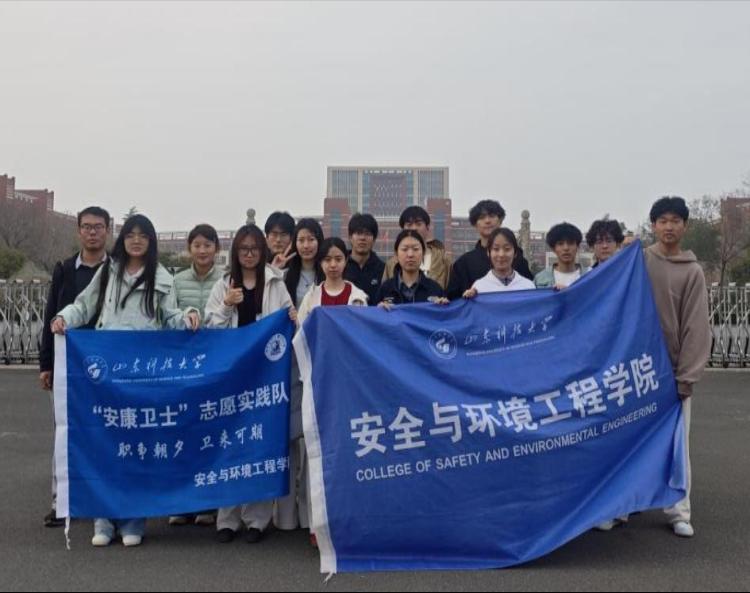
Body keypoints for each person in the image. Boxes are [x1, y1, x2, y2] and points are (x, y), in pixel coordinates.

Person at [51, 214, 200, 547]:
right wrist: (63, 318)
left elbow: (170, 316)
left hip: (144, 373)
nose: (136, 240)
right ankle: (104, 519)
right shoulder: (108, 271)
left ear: (150, 241)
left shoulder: (162, 277)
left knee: (138, 446)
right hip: (108, 372)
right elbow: (83, 306)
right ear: (122, 239)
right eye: (130, 234)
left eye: (142, 235)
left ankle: (134, 518)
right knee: (106, 444)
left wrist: (189, 316)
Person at [203, 224, 297, 544]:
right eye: (243, 249)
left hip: (265, 377)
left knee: (259, 443)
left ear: (263, 251)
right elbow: (210, 329)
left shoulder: (275, 283)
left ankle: (257, 519)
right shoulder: (223, 283)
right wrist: (227, 304)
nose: (249, 254)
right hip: (231, 376)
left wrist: (294, 318)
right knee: (229, 444)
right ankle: (227, 519)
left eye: (255, 248)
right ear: (235, 252)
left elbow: (289, 321)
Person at [39, 206, 110, 528]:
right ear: (79, 231)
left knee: (104, 431)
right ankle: (62, 501)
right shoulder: (65, 269)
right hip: (68, 363)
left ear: (107, 231)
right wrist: (46, 364)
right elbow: (51, 314)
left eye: (98, 226)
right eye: (87, 226)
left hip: (106, 365)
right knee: (66, 431)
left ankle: (103, 499)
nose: (92, 232)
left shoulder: (116, 270)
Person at [645, 196, 711, 538]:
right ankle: (621, 508)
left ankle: (678, 511)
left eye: (675, 220)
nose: (669, 227)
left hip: (672, 372)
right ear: (653, 225)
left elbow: (696, 327)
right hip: (636, 372)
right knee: (629, 441)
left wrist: (686, 376)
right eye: (663, 220)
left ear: (685, 226)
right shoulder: (640, 261)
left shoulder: (692, 271)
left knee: (677, 444)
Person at [170, 224, 224, 527]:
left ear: (216, 248)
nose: (202, 251)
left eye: (208, 245)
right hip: (185, 367)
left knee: (211, 434)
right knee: (183, 433)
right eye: (197, 245)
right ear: (189, 249)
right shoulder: (177, 281)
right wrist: (184, 317)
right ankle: (183, 503)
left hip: (216, 367)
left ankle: (209, 503)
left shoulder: (226, 279)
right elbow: (168, 315)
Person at [447, 200, 533, 299]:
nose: (487, 221)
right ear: (475, 224)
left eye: (492, 216)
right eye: (482, 217)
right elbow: (453, 300)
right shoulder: (463, 263)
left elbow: (531, 295)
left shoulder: (518, 259)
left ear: (500, 220)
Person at [383, 206, 452, 291]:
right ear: (402, 229)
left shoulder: (444, 261)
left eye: (418, 224)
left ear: (427, 227)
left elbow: (452, 293)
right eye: (409, 225)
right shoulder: (392, 264)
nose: (414, 228)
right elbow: (385, 293)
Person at [376, 231, 448, 307]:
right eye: (404, 249)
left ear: (423, 253)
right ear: (396, 254)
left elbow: (446, 313)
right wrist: (379, 310)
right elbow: (372, 312)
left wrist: (443, 307)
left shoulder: (435, 289)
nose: (410, 254)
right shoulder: (385, 289)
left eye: (415, 249)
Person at [463, 228, 536, 299]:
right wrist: (468, 299)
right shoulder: (479, 288)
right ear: (488, 252)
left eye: (507, 249)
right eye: (496, 249)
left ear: (515, 253)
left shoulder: (528, 287)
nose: (501, 254)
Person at [344, 213, 385, 305]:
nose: (362, 238)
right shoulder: (340, 266)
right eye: (358, 233)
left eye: (367, 234)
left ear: (374, 239)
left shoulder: (382, 269)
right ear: (350, 237)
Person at [534, 222, 589, 289]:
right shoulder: (540, 280)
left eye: (570, 243)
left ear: (577, 247)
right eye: (560, 244)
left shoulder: (590, 276)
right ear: (553, 248)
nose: (566, 248)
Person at [283, 219, 325, 308]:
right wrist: (275, 269)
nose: (306, 246)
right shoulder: (286, 275)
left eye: (311, 239)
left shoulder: (328, 273)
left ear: (319, 241)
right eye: (301, 240)